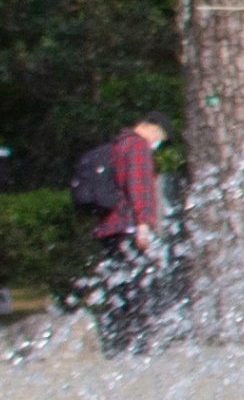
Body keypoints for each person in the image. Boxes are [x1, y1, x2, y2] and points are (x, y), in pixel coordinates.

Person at [70, 116, 170, 352]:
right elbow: (139, 186)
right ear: (148, 127)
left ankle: (116, 339)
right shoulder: (138, 147)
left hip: (109, 228)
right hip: (128, 227)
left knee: (116, 285)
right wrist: (143, 224)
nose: (157, 143)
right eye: (159, 137)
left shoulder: (117, 145)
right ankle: (137, 341)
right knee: (137, 285)